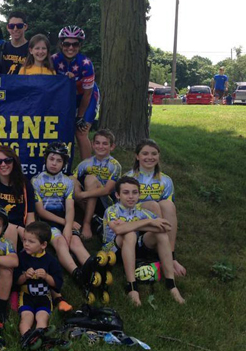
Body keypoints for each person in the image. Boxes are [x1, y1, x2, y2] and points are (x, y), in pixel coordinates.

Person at [103, 176, 185, 306]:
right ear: (117, 195)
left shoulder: (140, 211)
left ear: (139, 195)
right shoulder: (112, 210)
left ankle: (171, 285)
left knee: (161, 233)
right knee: (129, 234)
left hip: (133, 246)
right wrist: (149, 222)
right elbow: (118, 230)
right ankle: (132, 288)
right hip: (113, 251)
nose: (131, 196)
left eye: (134, 193)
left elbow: (166, 226)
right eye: (126, 192)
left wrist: (134, 224)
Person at [31, 142, 90, 310]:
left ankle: (90, 269)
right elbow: (40, 211)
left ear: (64, 164)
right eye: (51, 159)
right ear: (46, 159)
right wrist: (66, 224)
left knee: (75, 242)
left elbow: (70, 207)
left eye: (58, 160)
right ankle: (77, 274)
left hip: (64, 219)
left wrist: (69, 225)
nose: (54, 163)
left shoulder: (67, 181)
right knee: (61, 242)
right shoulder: (36, 180)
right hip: (46, 222)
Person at [124, 139, 186, 277]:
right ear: (137, 156)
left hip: (156, 218)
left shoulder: (166, 180)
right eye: (145, 153)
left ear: (158, 156)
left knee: (168, 205)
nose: (150, 157)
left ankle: (171, 255)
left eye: (154, 154)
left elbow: (168, 208)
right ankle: (163, 256)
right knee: (153, 204)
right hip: (133, 220)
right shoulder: (128, 178)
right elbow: (122, 206)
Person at [52, 26, 100, 160]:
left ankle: (86, 170)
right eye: (66, 44)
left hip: (86, 97)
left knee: (80, 133)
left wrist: (80, 116)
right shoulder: (54, 60)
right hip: (67, 98)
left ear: (80, 46)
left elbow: (87, 94)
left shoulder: (86, 63)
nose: (70, 48)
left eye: (75, 44)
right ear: (61, 44)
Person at [0, 145, 35, 248]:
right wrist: (15, 228)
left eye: (7, 161)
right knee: (10, 230)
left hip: (22, 230)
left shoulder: (25, 184)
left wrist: (29, 234)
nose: (3, 164)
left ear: (14, 162)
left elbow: (30, 215)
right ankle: (10, 261)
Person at [16, 221, 64, 341]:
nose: (26, 244)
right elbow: (16, 281)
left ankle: (39, 337)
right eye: (24, 240)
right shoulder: (21, 257)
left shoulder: (51, 261)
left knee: (42, 317)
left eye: (31, 241)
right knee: (26, 317)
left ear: (43, 245)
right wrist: (25, 276)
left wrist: (47, 276)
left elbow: (57, 283)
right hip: (27, 295)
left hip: (44, 296)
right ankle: (26, 338)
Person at [73, 129, 122, 239]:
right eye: (97, 143)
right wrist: (78, 193)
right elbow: (72, 179)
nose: (101, 146)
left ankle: (87, 224)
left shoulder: (115, 165)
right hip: (86, 200)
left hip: (106, 203)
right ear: (92, 144)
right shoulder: (86, 163)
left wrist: (83, 195)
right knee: (71, 180)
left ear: (112, 146)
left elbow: (107, 190)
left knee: (91, 179)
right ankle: (94, 218)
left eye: (105, 143)